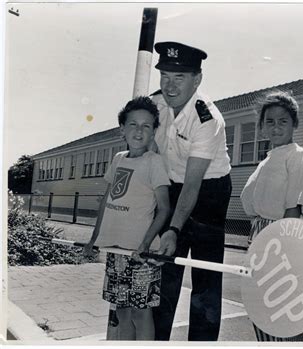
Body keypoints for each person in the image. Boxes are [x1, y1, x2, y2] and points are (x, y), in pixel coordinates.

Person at [149, 41, 232, 341]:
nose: (170, 86)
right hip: (173, 186)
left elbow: (193, 184)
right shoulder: (155, 105)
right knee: (166, 268)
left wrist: (173, 226)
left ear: (196, 80)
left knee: (205, 275)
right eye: (165, 76)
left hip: (209, 192)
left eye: (179, 78)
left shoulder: (207, 119)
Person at [83, 96, 171, 340]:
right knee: (121, 311)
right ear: (122, 128)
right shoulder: (118, 159)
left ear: (154, 131)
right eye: (133, 124)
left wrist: (145, 244)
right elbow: (107, 202)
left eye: (146, 126)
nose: (139, 131)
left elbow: (164, 208)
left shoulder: (154, 162)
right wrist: (93, 240)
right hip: (116, 251)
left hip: (141, 255)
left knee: (141, 314)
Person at [240, 90, 303, 341]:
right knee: (260, 310)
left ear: (295, 124)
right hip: (259, 234)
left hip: (281, 237)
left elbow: (293, 206)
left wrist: (281, 249)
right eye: (269, 121)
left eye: (283, 121)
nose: (276, 126)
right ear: (261, 127)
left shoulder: (296, 155)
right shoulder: (268, 159)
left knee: (278, 309)